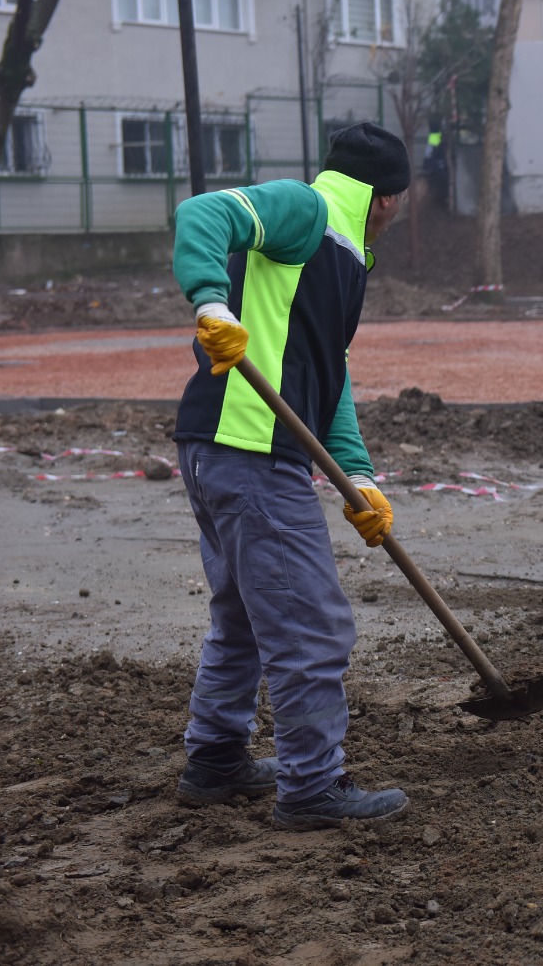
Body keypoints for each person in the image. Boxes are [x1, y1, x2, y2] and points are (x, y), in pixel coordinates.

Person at [171, 121, 412, 828]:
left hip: (219, 444)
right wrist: (210, 300)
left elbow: (323, 372)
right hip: (248, 451)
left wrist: (358, 478)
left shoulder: (341, 256)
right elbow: (202, 212)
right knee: (312, 624)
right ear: (389, 200)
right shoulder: (309, 213)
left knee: (245, 614)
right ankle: (311, 788)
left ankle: (215, 760)